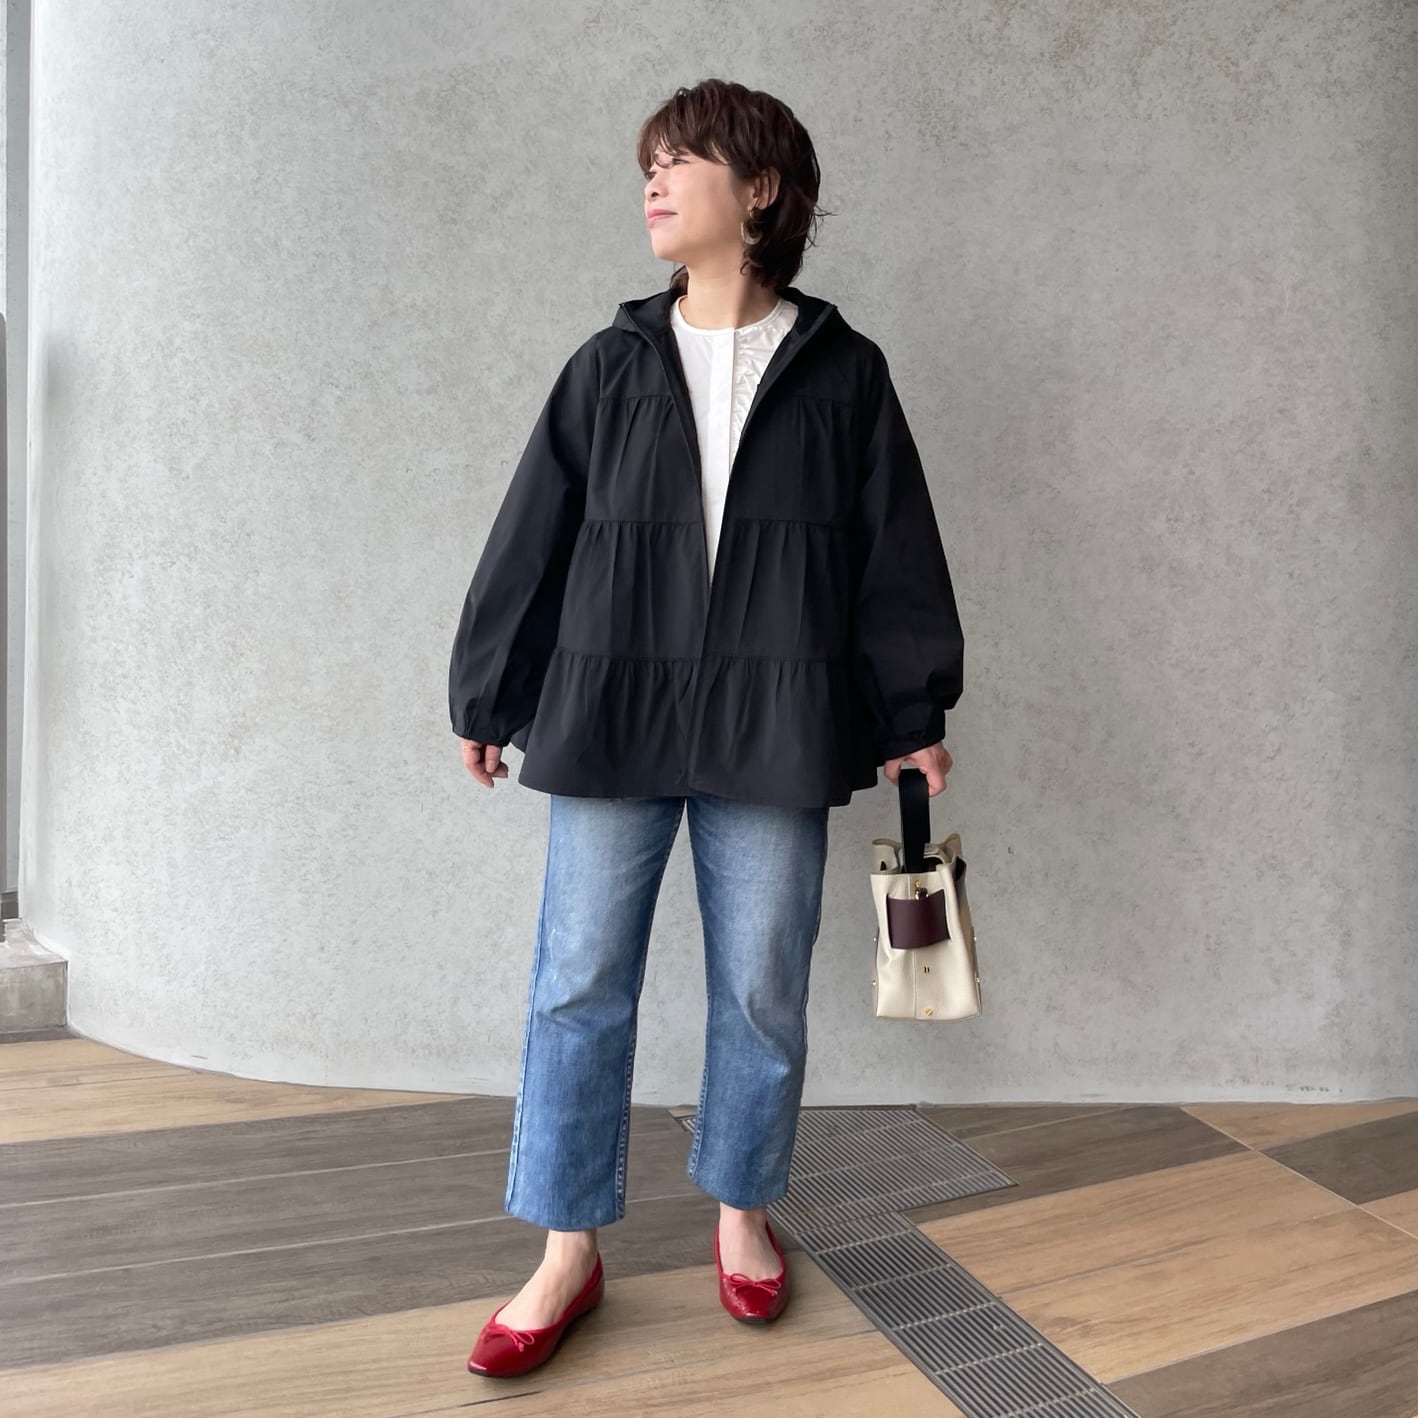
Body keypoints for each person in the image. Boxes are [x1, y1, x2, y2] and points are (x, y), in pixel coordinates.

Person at [450, 77, 964, 1379]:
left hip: (777, 713)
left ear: (762, 190)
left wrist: (912, 708)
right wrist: (491, 691)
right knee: (577, 981)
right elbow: (532, 537)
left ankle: (742, 1208)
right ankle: (566, 1245)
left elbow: (892, 553)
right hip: (611, 704)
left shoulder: (844, 373)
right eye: (650, 162)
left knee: (760, 984)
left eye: (681, 160)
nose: (654, 181)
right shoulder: (608, 365)